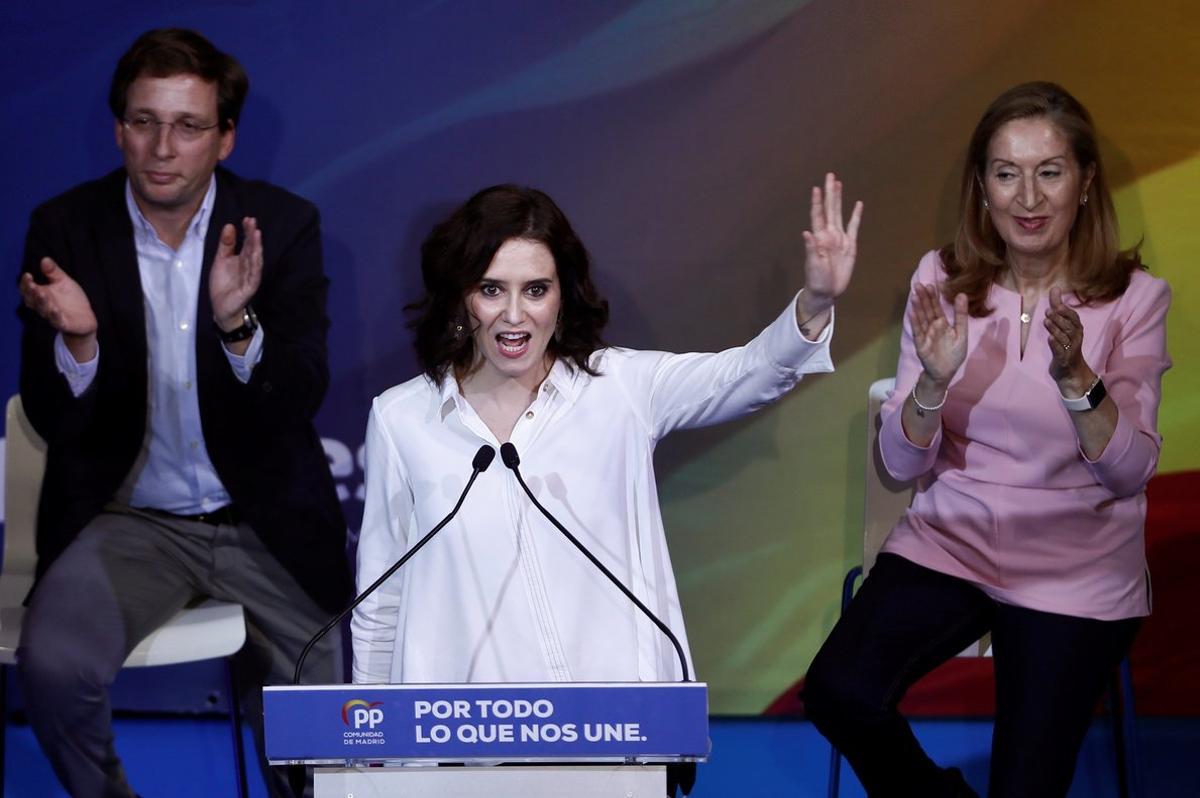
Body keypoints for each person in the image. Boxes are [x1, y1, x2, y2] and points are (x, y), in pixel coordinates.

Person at [803, 82, 1171, 797]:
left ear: (1086, 182)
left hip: (1077, 564)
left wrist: (1077, 380)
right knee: (840, 692)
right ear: (983, 187)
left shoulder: (1134, 297)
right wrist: (933, 385)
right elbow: (899, 461)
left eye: (1049, 171)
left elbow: (1129, 474)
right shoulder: (941, 279)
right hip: (954, 538)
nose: (1027, 198)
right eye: (1007, 173)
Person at [352, 178, 861, 689]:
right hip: (467, 735)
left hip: (617, 728)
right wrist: (368, 740)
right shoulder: (403, 419)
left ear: (562, 298)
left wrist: (815, 303)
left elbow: (747, 375)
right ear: (462, 298)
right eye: (491, 290)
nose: (513, 315)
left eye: (535, 290)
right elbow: (381, 601)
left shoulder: (621, 389)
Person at [15, 28, 352, 798]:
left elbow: (300, 390)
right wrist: (80, 337)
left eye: (189, 126)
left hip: (263, 516)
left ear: (225, 138)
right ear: (118, 129)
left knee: (324, 742)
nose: (163, 147)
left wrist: (237, 325)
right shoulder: (66, 228)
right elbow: (47, 410)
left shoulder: (282, 225)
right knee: (55, 670)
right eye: (144, 121)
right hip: (129, 520)